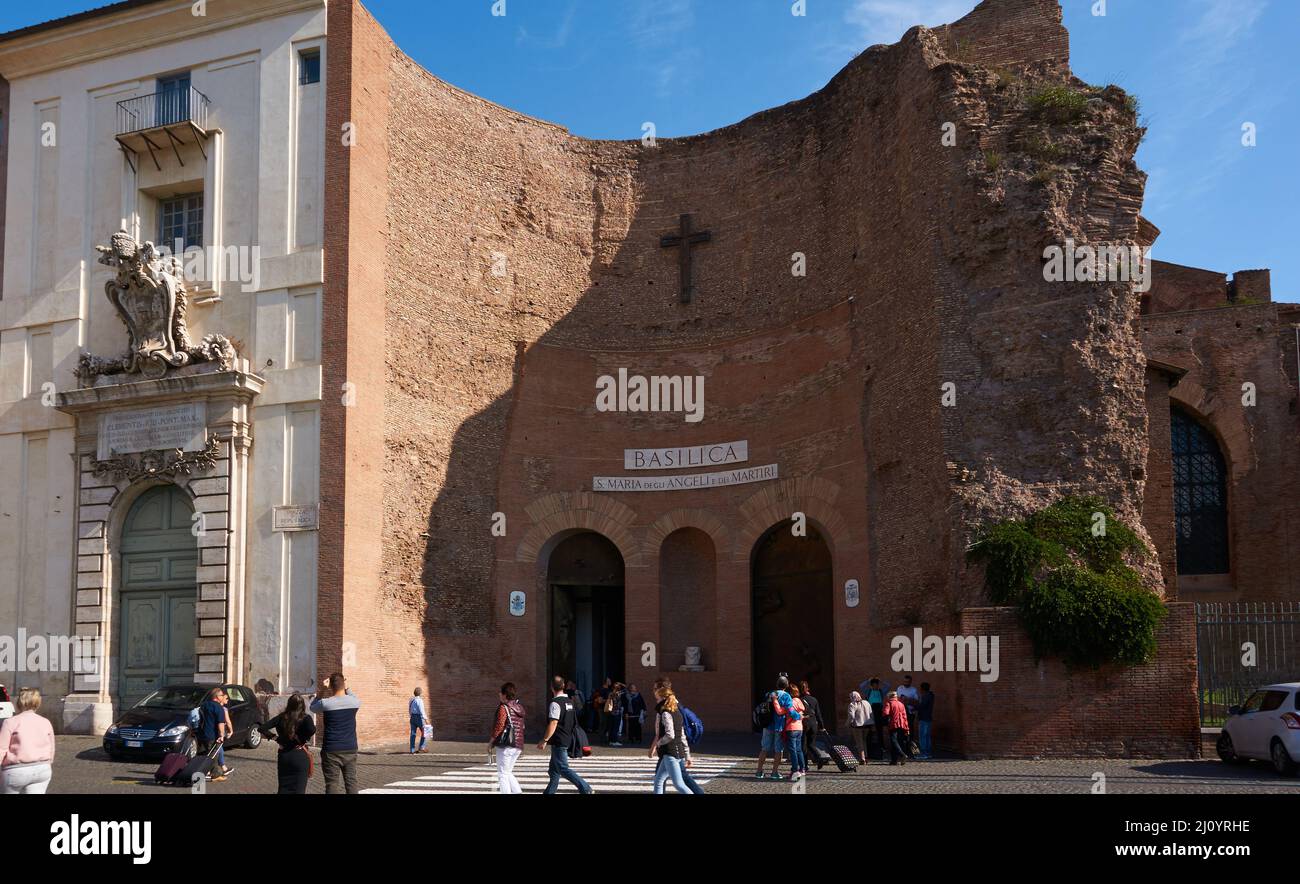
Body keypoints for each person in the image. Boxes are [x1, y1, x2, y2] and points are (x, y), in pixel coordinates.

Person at [538, 676, 593, 794]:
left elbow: (553, 722)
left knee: (563, 768)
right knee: (554, 771)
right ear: (563, 686)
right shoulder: (570, 702)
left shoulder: (555, 703)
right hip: (568, 738)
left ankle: (585, 788)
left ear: (551, 687)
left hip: (559, 741)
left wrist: (545, 739)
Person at [309, 672, 361, 794]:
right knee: (351, 782)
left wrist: (322, 690)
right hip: (350, 748)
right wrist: (346, 686)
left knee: (331, 784)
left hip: (331, 750)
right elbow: (353, 696)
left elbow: (312, 707)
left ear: (331, 686)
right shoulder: (354, 702)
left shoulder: (326, 703)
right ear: (343, 684)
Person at [258, 693, 316, 794]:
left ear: (289, 704)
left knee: (283, 788)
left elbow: (262, 728)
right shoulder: (306, 718)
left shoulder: (281, 717)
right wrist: (303, 739)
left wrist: (276, 738)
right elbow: (312, 729)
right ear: (303, 705)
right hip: (299, 755)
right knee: (299, 789)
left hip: (284, 755)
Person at [0, 687, 55, 794]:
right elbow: (51, 748)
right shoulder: (45, 722)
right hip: (42, 768)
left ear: (19, 702)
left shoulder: (10, 722)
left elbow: (1, 749)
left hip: (16, 770)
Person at [649, 681, 696, 794]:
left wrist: (658, 743)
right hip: (675, 751)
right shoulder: (677, 712)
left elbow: (670, 734)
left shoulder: (665, 713)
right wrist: (687, 755)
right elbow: (682, 736)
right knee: (658, 780)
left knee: (679, 784)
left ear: (663, 698)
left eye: (657, 699)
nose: (657, 701)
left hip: (670, 753)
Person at [755, 674, 794, 780]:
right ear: (786, 685)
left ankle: (759, 771)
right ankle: (774, 772)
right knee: (778, 750)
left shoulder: (769, 694)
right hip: (779, 726)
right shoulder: (787, 696)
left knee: (764, 749)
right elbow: (790, 710)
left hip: (767, 725)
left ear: (777, 684)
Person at [490, 682, 526, 794]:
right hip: (518, 745)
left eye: (501, 692)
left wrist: (491, 742)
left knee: (502, 774)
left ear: (505, 695)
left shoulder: (504, 707)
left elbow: (499, 726)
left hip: (506, 744)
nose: (499, 694)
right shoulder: (519, 707)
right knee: (508, 772)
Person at [198, 687, 233, 781]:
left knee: (210, 754)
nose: (224, 696)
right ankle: (209, 774)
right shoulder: (218, 708)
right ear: (217, 697)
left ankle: (215, 774)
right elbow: (221, 723)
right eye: (222, 695)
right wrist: (221, 735)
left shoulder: (204, 705)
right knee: (212, 755)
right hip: (212, 735)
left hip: (202, 733)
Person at [799, 680, 827, 769]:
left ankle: (805, 765)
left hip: (804, 724)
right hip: (813, 724)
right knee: (811, 744)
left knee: (803, 745)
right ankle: (819, 758)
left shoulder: (799, 700)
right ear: (808, 689)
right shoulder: (814, 699)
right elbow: (818, 714)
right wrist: (822, 726)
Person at [882, 690, 913, 765]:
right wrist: (907, 729)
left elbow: (885, 713)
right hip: (902, 725)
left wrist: (885, 719)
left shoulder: (889, 703)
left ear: (889, 696)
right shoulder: (901, 704)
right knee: (898, 742)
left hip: (893, 724)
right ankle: (894, 760)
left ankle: (902, 755)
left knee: (894, 741)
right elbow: (905, 717)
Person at [785, 683, 808, 781]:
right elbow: (802, 710)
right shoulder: (799, 700)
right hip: (799, 728)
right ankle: (802, 769)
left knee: (792, 750)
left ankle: (795, 770)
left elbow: (790, 713)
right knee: (799, 750)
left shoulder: (790, 701)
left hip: (791, 727)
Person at [845, 690, 872, 764]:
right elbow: (871, 713)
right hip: (867, 725)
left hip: (857, 725)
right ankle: (866, 757)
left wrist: (848, 724)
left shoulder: (852, 704)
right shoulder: (867, 702)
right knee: (864, 741)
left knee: (859, 742)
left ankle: (862, 758)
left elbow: (851, 716)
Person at [865, 677, 885, 760]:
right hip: (871, 712)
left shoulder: (881, 691)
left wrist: (881, 680)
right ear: (871, 685)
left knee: (880, 730)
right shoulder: (868, 691)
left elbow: (888, 685)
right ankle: (869, 748)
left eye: (876, 685)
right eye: (873, 685)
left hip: (879, 712)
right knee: (870, 731)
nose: (875, 686)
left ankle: (881, 747)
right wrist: (868, 680)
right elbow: (861, 686)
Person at [897, 674, 920, 740]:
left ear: (911, 682)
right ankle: (902, 744)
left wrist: (908, 700)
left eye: (907, 682)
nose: (906, 683)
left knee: (909, 729)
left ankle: (909, 743)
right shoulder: (899, 688)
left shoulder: (914, 690)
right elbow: (897, 699)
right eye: (905, 681)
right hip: (901, 713)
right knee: (901, 729)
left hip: (910, 713)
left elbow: (917, 702)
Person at [409, 687, 429, 754]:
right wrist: (426, 720)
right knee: (426, 732)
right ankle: (421, 747)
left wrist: (411, 716)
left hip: (412, 717)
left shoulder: (411, 700)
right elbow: (422, 711)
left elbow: (409, 709)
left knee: (413, 734)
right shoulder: (420, 700)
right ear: (420, 693)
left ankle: (412, 750)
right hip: (419, 718)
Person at [918, 682, 935, 759]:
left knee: (923, 736)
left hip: (923, 718)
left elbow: (922, 706)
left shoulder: (925, 696)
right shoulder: (931, 695)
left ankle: (924, 753)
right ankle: (928, 753)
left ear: (922, 689)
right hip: (928, 718)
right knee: (927, 736)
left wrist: (913, 705)